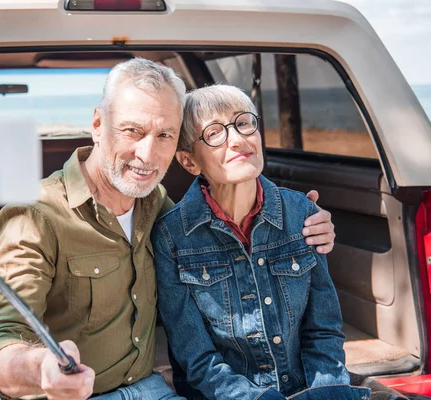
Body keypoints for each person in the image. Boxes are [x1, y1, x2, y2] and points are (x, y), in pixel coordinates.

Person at [0, 59, 337, 400]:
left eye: (165, 134)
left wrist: (305, 219)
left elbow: (223, 220)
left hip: (149, 388)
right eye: (133, 130)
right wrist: (41, 367)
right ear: (98, 125)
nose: (148, 155)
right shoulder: (34, 215)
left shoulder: (155, 203)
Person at [152, 84, 369, 400]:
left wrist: (329, 393)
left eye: (243, 123)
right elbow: (197, 359)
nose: (239, 139)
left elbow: (323, 331)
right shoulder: (171, 236)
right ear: (189, 162)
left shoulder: (303, 214)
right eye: (215, 133)